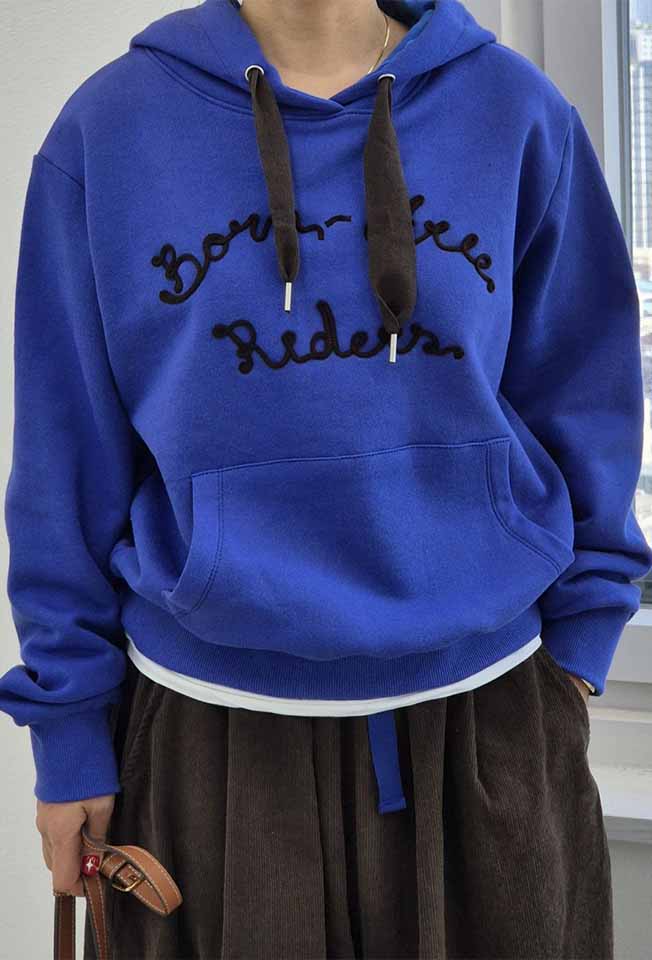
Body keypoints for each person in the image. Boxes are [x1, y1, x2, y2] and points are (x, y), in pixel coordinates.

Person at [2, 0, 651, 957]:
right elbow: (64, 456)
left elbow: (586, 394)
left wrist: (582, 650)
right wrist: (66, 732)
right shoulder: (110, 130)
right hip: (212, 743)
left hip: (488, 725)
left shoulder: (515, 113)